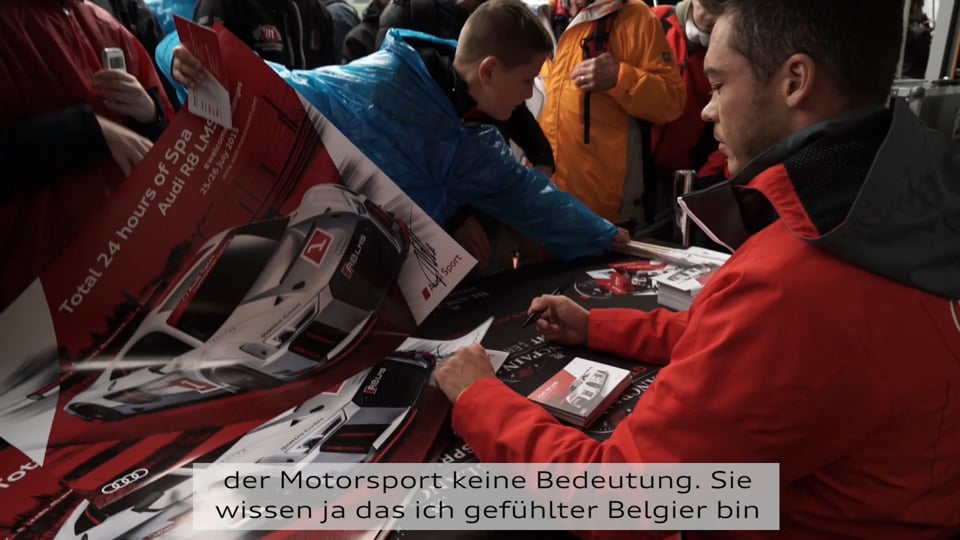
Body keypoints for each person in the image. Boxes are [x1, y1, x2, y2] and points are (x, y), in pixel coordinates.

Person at [434, 0, 960, 538]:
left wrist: (480, 398)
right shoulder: (894, 211)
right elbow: (741, 341)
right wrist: (597, 325)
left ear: (795, 81)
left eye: (719, 84)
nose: (706, 111)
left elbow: (625, 502)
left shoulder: (798, 284)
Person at [166, 0, 627, 261]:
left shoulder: (475, 136)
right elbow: (265, 83)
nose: (530, 95)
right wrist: (180, 56)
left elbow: (532, 199)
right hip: (321, 262)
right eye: (527, 81)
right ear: (488, 71)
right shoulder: (376, 88)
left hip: (410, 280)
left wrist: (607, 237)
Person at [0, 0, 174, 311]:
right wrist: (87, 131)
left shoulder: (106, 27)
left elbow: (171, 151)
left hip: (135, 282)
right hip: (37, 303)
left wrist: (150, 114)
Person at [540, 0, 685, 225]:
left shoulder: (637, 17)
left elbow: (671, 102)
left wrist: (619, 77)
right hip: (536, 205)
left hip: (605, 215)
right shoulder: (538, 16)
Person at [643, 0, 726, 233]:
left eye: (721, 12)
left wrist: (707, 175)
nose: (711, 18)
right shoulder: (653, 23)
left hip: (689, 172)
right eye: (707, 8)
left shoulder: (731, 44)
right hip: (637, 173)